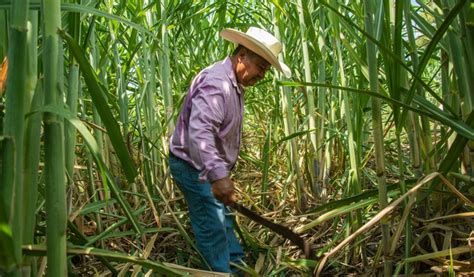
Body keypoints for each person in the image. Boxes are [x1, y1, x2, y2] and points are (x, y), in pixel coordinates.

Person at [168, 26, 291, 274]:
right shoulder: (217, 84)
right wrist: (219, 176)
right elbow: (200, 133)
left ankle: (237, 266)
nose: (262, 75)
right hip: (194, 168)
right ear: (242, 55)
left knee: (222, 219)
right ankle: (222, 271)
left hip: (205, 167)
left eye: (267, 69)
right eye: (261, 66)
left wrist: (221, 174)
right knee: (213, 225)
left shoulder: (233, 83)